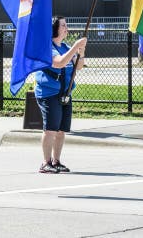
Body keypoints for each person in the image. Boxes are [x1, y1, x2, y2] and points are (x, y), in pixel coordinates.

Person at [36, 16, 87, 174]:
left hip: (65, 93)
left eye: (66, 25)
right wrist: (75, 47)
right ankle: (46, 162)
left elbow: (78, 66)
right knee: (50, 129)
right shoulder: (47, 48)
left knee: (61, 130)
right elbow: (59, 63)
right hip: (49, 93)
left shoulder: (65, 46)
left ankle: (56, 161)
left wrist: (81, 51)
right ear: (55, 28)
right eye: (63, 25)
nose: (66, 28)